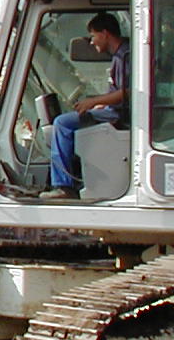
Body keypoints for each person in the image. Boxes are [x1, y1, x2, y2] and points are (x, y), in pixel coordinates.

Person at [41, 12, 130, 200]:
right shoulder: (120, 55)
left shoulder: (125, 56)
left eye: (93, 36)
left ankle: (64, 186)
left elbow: (126, 93)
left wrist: (94, 101)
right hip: (112, 111)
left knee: (62, 123)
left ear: (105, 33)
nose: (92, 42)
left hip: (120, 115)